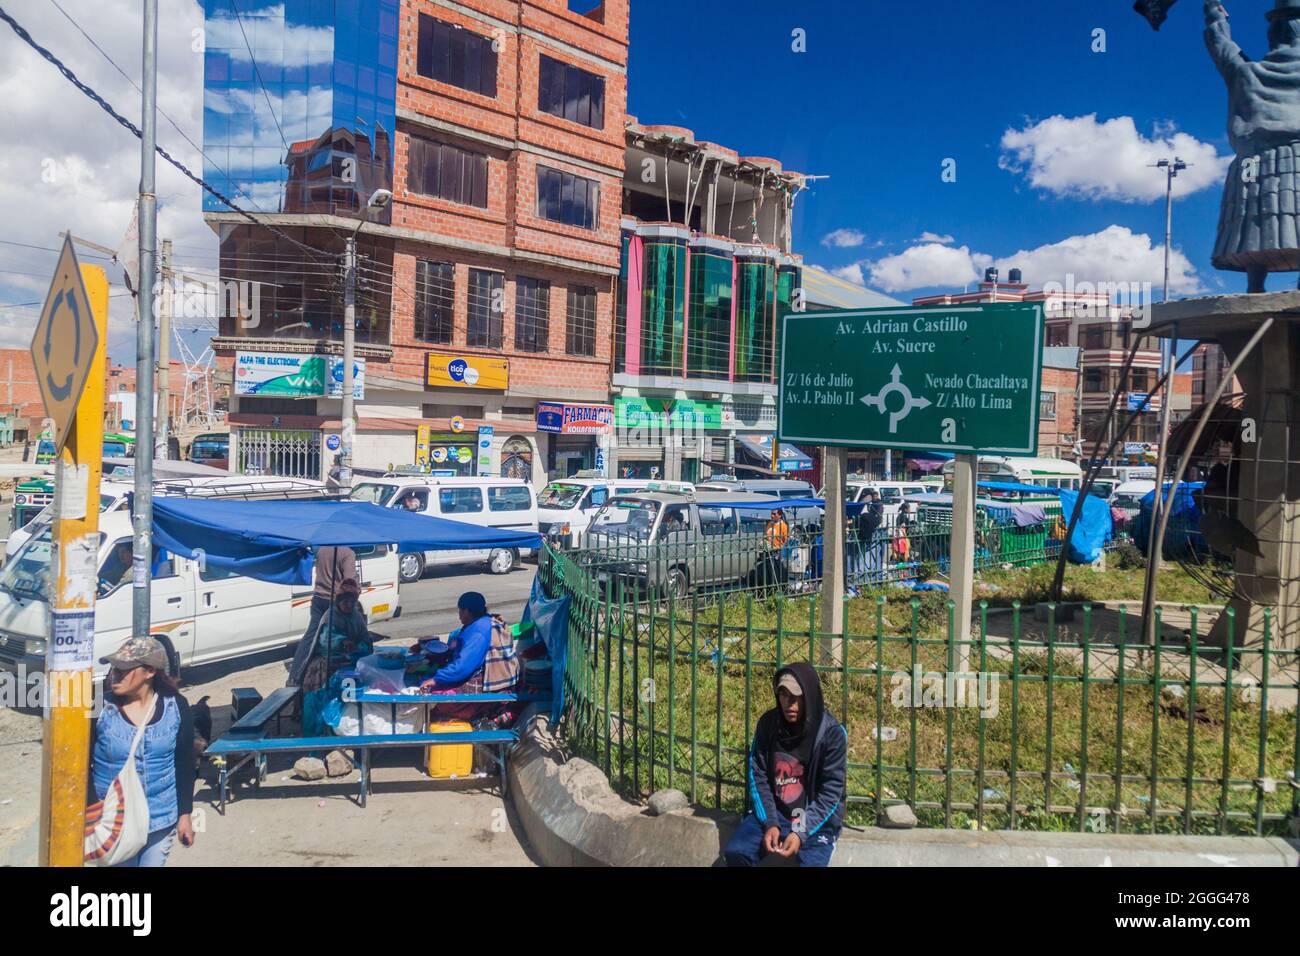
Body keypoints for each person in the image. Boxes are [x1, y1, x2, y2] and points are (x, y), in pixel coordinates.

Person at [725, 663, 846, 867]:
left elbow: (831, 792)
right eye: (783, 695)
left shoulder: (831, 734)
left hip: (813, 818)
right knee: (737, 852)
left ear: (809, 695)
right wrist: (770, 822)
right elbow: (758, 775)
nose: (790, 704)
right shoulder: (769, 724)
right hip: (776, 813)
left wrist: (800, 832)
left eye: (797, 696)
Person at [88, 637, 195, 867]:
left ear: (149, 672)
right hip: (112, 822)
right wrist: (92, 811)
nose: (114, 674)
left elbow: (184, 762)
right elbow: (80, 765)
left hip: (161, 818)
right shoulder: (98, 706)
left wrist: (185, 813)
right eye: (114, 667)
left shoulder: (176, 705)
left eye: (124, 669)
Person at [420, 591, 519, 722]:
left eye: (460, 611)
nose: (459, 616)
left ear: (467, 611)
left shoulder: (478, 631)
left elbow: (462, 667)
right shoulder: (484, 621)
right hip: (488, 677)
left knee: (431, 696)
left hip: (485, 685)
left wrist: (436, 680)